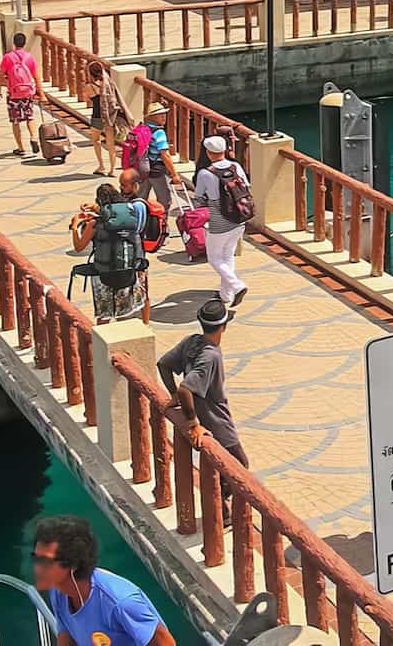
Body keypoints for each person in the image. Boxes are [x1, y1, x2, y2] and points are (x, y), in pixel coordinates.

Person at [158, 298, 248, 521]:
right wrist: (193, 424)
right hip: (218, 424)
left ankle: (220, 511)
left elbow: (164, 364)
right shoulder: (212, 356)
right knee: (240, 467)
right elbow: (187, 388)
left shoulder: (192, 342)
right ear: (224, 326)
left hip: (208, 420)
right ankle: (222, 511)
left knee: (216, 469)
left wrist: (173, 396)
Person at [31, 515, 175, 646]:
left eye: (45, 561)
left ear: (73, 563)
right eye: (35, 558)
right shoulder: (58, 592)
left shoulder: (120, 602)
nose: (37, 567)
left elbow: (164, 643)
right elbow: (66, 639)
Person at [71, 182, 148, 323]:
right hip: (127, 270)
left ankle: (102, 342)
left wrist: (75, 227)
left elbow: (79, 247)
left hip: (104, 273)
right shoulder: (129, 217)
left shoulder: (94, 224)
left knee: (104, 316)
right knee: (124, 314)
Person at [195, 133, 251, 307]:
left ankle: (236, 285)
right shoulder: (235, 166)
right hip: (239, 218)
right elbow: (246, 187)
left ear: (209, 153)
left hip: (219, 221)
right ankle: (226, 295)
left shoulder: (205, 173)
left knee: (214, 258)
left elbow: (198, 198)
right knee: (227, 255)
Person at [0, 32, 43, 157]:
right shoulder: (29, 57)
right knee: (30, 117)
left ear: (14, 43)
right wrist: (41, 94)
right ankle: (34, 137)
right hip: (27, 92)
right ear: (24, 43)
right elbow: (36, 77)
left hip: (14, 93)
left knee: (15, 121)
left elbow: (1, 75)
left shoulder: (8, 57)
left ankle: (21, 148)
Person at [138, 103, 183, 211]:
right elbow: (165, 155)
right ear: (151, 117)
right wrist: (174, 175)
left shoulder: (142, 128)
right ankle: (161, 224)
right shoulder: (159, 132)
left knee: (140, 199)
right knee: (164, 201)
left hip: (142, 168)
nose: (164, 117)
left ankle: (139, 222)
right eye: (160, 115)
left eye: (164, 114)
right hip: (156, 170)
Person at [82, 60, 121, 176]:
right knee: (111, 144)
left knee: (96, 140)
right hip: (109, 117)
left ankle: (101, 166)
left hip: (97, 117)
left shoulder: (89, 87)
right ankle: (112, 169)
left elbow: (87, 99)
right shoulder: (109, 85)